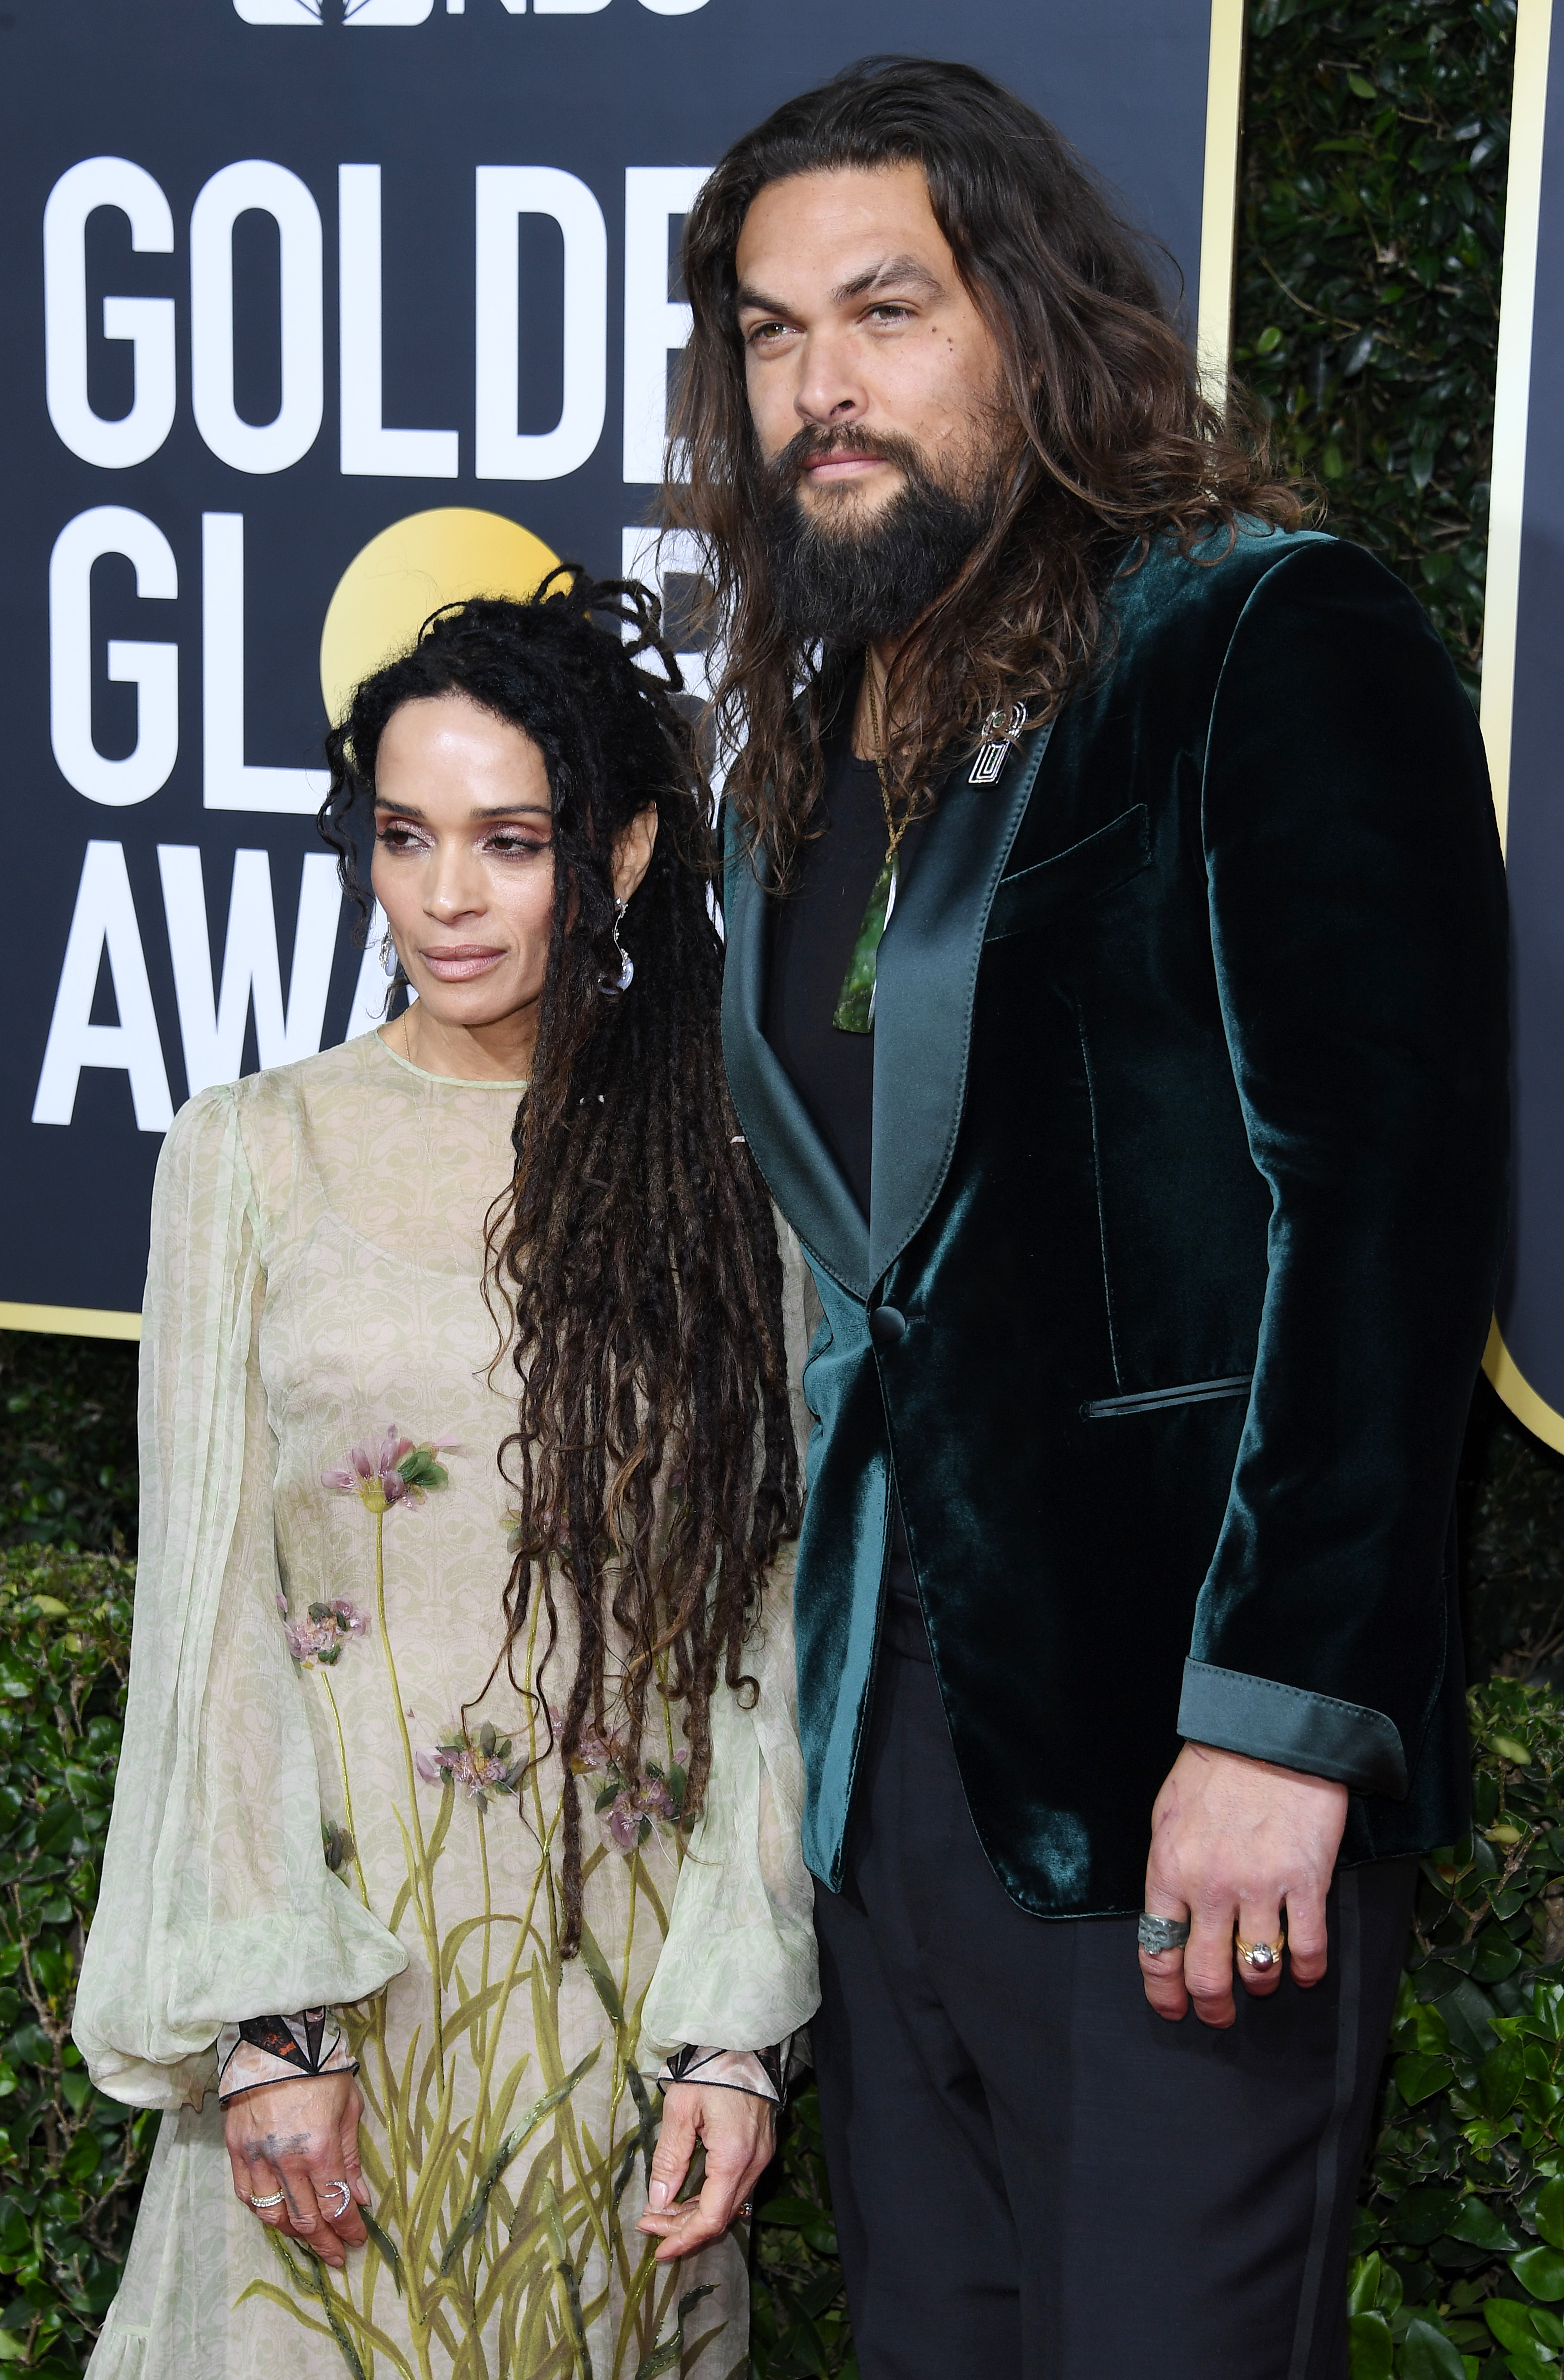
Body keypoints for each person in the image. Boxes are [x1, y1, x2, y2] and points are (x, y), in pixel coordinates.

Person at [665, 56, 1511, 2379]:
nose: (820, 385)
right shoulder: (805, 738)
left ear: (1030, 320)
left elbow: (1385, 1199)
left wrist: (1277, 1714)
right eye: (767, 332)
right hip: (894, 1775)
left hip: (1177, 1763)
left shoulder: (1260, 635)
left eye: (883, 308)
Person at [72, 575, 820, 2380]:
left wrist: (731, 2027)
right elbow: (207, 1623)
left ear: (625, 850)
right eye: (406, 837)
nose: (447, 896)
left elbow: (779, 1637)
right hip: (326, 2034)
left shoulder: (732, 1174)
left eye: (510, 839)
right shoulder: (249, 1155)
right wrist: (268, 2018)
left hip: (620, 2045)